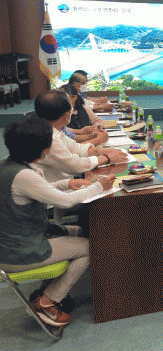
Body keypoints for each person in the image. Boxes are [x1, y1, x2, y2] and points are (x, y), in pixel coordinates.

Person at [0, 117, 115, 327]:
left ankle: (46, 290)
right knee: (90, 247)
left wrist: (66, 183)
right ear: (41, 149)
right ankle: (47, 300)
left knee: (79, 231)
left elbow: (38, 190)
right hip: (17, 252)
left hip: (14, 240)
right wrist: (99, 186)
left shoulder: (9, 165)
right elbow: (65, 201)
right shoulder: (24, 175)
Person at [34, 90, 127, 183]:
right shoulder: (49, 137)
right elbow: (74, 166)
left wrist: (100, 151)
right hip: (57, 185)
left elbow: (76, 148)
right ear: (67, 115)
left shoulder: (52, 129)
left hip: (65, 181)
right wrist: (107, 158)